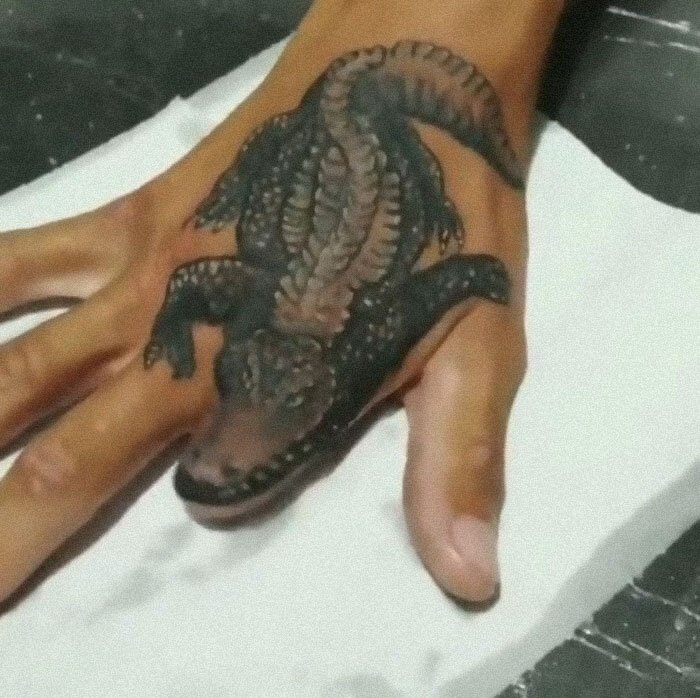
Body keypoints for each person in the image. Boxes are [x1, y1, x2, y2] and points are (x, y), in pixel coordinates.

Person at [0, 0, 567, 605]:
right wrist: (175, 319)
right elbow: (469, 274)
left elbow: (471, 273)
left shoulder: (364, 322)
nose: (223, 453)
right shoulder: (327, 317)